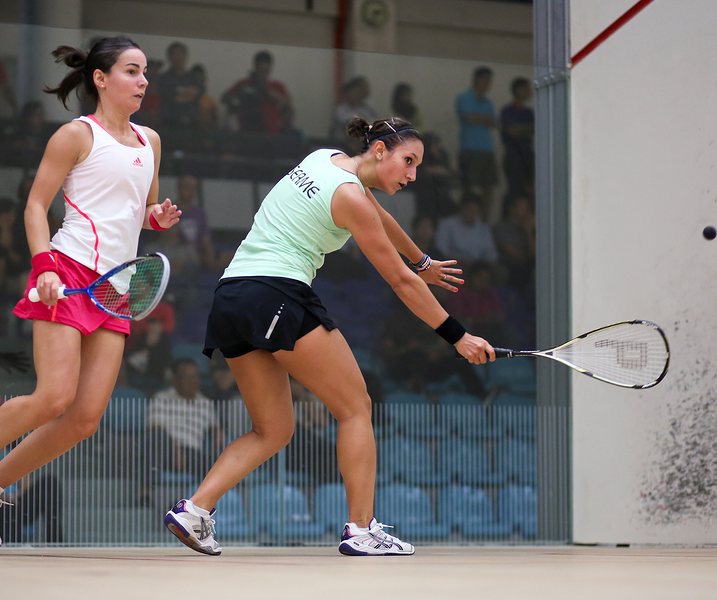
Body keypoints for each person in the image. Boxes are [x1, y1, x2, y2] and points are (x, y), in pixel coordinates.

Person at [163, 116, 495, 557]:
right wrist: (457, 335)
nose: (412, 175)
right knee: (356, 407)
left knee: (273, 430)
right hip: (277, 291)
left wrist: (423, 260)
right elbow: (398, 281)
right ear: (380, 151)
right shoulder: (350, 197)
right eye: (408, 161)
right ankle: (361, 529)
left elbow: (381, 217)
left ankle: (195, 510)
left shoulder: (323, 160)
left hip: (232, 296)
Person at [0, 36, 181, 551]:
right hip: (66, 271)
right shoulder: (75, 135)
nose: (143, 81)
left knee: (85, 418)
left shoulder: (149, 141)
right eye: (132, 71)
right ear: (101, 78)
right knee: (53, 396)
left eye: (145, 72)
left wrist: (157, 218)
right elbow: (35, 206)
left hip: (116, 288)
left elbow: (144, 210)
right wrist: (43, 265)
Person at [143, 358, 225, 480]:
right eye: (187, 376)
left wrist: (218, 432)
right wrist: (175, 448)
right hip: (166, 451)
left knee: (219, 464)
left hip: (193, 454)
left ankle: (212, 498)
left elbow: (215, 427)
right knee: (156, 439)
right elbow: (155, 428)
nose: (193, 381)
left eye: (195, 376)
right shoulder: (161, 398)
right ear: (175, 379)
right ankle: (146, 494)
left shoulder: (205, 403)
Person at [455, 66, 499, 221]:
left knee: (489, 188)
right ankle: (466, 220)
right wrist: (484, 119)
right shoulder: (464, 98)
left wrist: (481, 119)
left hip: (487, 149)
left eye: (489, 81)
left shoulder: (488, 102)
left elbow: (493, 122)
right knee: (469, 188)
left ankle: (484, 222)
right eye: (486, 80)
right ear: (476, 79)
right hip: (469, 148)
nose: (488, 84)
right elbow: (468, 118)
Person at [221, 50, 292, 134]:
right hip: (246, 130)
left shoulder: (276, 86)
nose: (264, 74)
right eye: (261, 70)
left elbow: (287, 102)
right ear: (255, 67)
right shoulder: (244, 84)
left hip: (271, 131)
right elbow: (225, 98)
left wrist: (271, 94)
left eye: (266, 70)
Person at [434, 193, 499, 268]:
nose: (472, 214)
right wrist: (460, 260)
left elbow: (492, 254)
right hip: (455, 264)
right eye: (469, 210)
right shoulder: (447, 225)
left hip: (479, 266)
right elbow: (441, 252)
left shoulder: (483, 229)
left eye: (475, 211)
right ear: (462, 209)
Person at [500, 77, 535, 201]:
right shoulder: (507, 111)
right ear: (518, 90)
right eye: (526, 88)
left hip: (527, 154)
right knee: (515, 189)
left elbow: (533, 129)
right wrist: (526, 129)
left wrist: (522, 129)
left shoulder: (529, 112)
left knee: (530, 188)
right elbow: (510, 130)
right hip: (513, 155)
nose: (529, 91)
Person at [155, 42, 201, 130]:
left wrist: (179, 91)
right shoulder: (164, 79)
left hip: (191, 124)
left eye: (181, 54)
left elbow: (197, 94)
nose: (179, 57)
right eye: (175, 54)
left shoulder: (193, 78)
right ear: (170, 57)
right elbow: (175, 98)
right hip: (170, 124)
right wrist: (187, 92)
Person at [331, 76, 377, 154]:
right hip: (343, 146)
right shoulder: (340, 109)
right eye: (355, 92)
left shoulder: (366, 110)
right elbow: (346, 124)